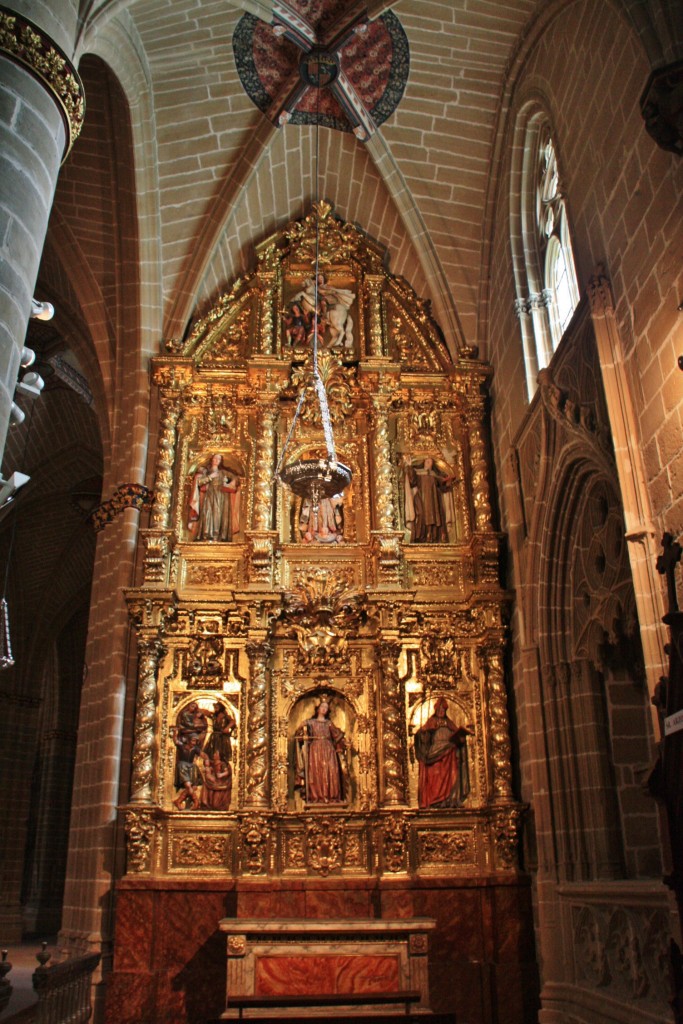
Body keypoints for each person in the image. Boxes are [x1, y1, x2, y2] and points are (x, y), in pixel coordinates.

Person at [414, 696, 472, 809]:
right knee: (436, 777)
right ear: (436, 710)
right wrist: (424, 733)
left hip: (450, 753)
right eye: (439, 709)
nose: (441, 712)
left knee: (452, 775)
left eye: (443, 710)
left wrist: (460, 739)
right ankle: (435, 799)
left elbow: (457, 734)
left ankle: (449, 799)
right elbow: (422, 735)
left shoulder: (449, 723)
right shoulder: (431, 721)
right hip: (435, 753)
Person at [295, 696, 347, 803]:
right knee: (316, 773)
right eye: (322, 706)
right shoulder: (310, 722)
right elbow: (298, 732)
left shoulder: (329, 723)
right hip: (315, 750)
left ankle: (331, 796)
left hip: (328, 749)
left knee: (330, 771)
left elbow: (338, 736)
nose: (324, 709)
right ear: (318, 708)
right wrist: (302, 732)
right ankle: (316, 797)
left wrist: (345, 743)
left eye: (326, 707)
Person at [403, 455, 457, 543]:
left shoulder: (435, 475)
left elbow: (443, 486)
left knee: (434, 516)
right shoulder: (418, 473)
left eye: (431, 462)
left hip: (434, 498)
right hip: (421, 498)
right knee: (421, 514)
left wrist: (448, 482)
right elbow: (412, 480)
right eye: (427, 461)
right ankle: (421, 536)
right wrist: (409, 466)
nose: (429, 463)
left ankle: (431, 534)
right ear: (424, 462)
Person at [188, 453, 241, 542]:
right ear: (212, 459)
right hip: (209, 494)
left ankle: (217, 535)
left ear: (220, 462)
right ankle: (206, 534)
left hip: (221, 495)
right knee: (208, 513)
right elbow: (200, 482)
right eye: (215, 458)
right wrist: (210, 477)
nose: (216, 460)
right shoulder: (207, 472)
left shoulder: (223, 472)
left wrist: (229, 484)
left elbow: (236, 478)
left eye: (219, 459)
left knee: (218, 514)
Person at [173, 731, 204, 809]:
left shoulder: (195, 749)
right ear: (189, 740)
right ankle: (196, 802)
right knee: (188, 785)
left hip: (191, 767)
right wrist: (175, 733)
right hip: (182, 766)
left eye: (195, 741)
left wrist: (207, 760)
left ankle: (178, 801)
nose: (194, 743)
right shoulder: (182, 746)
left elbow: (203, 755)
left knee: (193, 787)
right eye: (193, 740)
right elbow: (175, 740)